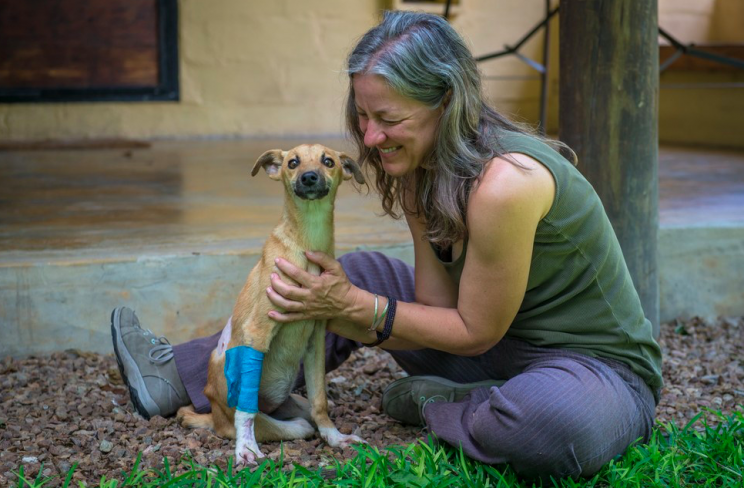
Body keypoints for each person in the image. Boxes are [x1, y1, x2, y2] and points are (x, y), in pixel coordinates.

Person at [111, 10, 662, 482]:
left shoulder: (506, 183)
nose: (370, 138)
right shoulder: (422, 167)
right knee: (335, 275)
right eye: (363, 116)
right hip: (492, 348)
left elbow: (473, 330)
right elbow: (435, 305)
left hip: (587, 368)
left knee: (550, 426)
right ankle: (179, 376)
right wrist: (352, 293)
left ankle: (442, 401)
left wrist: (358, 309)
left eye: (388, 118)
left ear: (446, 102)